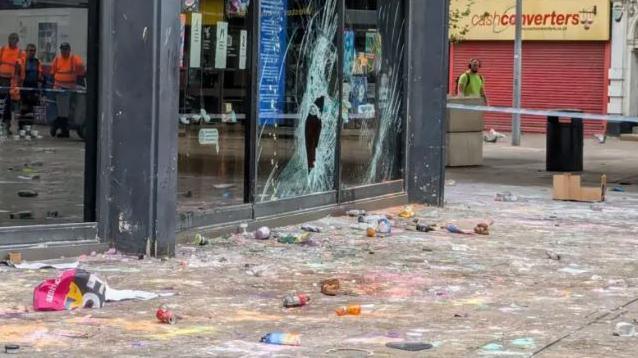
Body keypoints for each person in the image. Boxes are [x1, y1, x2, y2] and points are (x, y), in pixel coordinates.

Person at [50, 42, 85, 138]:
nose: (64, 51)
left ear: (69, 50)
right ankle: (60, 128)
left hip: (70, 89)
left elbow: (81, 68)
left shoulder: (74, 59)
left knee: (68, 112)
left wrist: (79, 65)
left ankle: (61, 128)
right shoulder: (57, 59)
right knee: (63, 111)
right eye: (62, 49)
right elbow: (52, 73)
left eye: (66, 49)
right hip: (59, 89)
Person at [0, 33, 25, 134]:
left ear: (17, 40)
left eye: (15, 39)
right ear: (8, 39)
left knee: (8, 103)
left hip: (12, 81)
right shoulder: (2, 50)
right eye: (11, 38)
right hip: (1, 79)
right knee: (2, 102)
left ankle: (7, 124)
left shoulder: (20, 52)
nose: (13, 40)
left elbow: (21, 66)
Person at [18, 44, 43, 130]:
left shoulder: (37, 61)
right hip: (24, 86)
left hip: (34, 86)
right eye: (30, 50)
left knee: (32, 109)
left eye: (34, 50)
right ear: (26, 51)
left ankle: (29, 127)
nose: (32, 52)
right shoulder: (21, 61)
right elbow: (17, 75)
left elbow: (39, 74)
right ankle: (21, 127)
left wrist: (41, 83)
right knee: (24, 108)